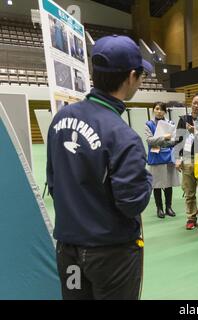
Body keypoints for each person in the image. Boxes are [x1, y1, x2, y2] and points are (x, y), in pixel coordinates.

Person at [47, 35, 153, 300]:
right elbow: (132, 202)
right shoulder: (123, 135)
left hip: (68, 249)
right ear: (131, 76)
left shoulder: (61, 118)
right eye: (141, 76)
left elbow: (53, 180)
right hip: (110, 255)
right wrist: (147, 178)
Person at [175, 93, 198, 230]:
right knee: (189, 191)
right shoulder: (184, 119)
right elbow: (178, 140)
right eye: (194, 102)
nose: (195, 105)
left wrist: (196, 131)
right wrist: (177, 158)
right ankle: (191, 217)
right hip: (187, 158)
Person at [145, 102, 180, 219]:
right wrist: (164, 138)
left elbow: (173, 141)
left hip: (168, 157)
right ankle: (159, 208)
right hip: (155, 157)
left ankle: (168, 207)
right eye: (157, 109)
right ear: (153, 110)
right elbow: (149, 141)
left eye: (161, 109)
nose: (159, 111)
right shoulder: (149, 124)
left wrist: (159, 141)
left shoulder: (170, 124)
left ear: (165, 111)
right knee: (157, 184)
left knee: (168, 183)